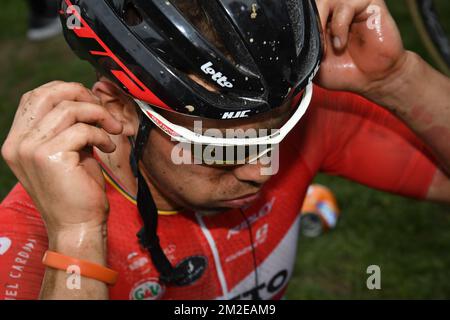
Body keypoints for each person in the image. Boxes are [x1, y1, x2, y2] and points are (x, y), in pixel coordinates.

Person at [0, 0, 449, 300]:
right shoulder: (30, 230)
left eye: (277, 130)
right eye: (220, 146)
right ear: (117, 109)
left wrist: (396, 79)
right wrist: (77, 235)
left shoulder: (311, 131)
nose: (261, 169)